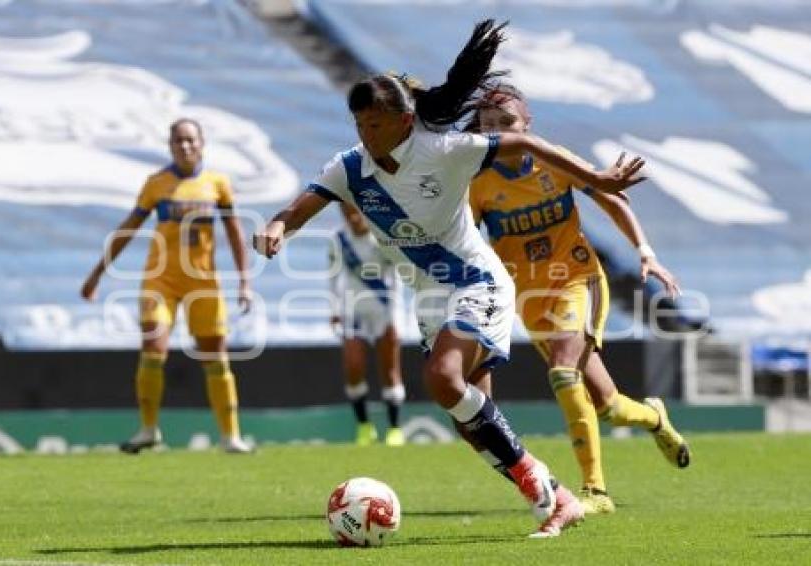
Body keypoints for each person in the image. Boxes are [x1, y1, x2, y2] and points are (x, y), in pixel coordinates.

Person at [254, 20, 646, 537]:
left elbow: (521, 140)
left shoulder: (444, 150)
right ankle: (554, 496)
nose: (365, 136)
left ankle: (555, 493)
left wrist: (596, 179)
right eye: (359, 126)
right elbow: (298, 208)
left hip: (476, 282)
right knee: (467, 419)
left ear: (404, 119)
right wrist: (278, 225)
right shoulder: (349, 169)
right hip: (430, 298)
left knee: (441, 379)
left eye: (375, 125)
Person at [467, 83, 690, 514]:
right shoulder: (477, 182)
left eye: (508, 123)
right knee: (609, 407)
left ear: (527, 125)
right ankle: (655, 418)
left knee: (563, 372)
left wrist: (646, 253)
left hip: (576, 278)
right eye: (489, 126)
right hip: (528, 297)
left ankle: (596, 492)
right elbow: (465, 239)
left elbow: (611, 199)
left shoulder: (554, 159)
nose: (500, 133)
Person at [81, 118, 255, 454]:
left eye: (191, 140)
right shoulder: (156, 184)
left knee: (215, 357)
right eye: (178, 141)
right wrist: (96, 274)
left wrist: (244, 280)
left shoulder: (217, 183)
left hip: (203, 282)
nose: (185, 146)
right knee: (153, 348)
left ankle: (231, 436)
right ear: (170, 146)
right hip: (160, 279)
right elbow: (128, 229)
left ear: (202, 143)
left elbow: (234, 233)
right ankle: (148, 430)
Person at [329, 202, 406, 446]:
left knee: (389, 370)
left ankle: (394, 429)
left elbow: (398, 275)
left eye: (356, 210)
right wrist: (334, 309)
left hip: (384, 310)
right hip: (353, 310)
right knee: (353, 366)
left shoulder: (382, 236)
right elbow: (333, 278)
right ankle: (364, 426)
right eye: (346, 212)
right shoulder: (338, 240)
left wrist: (396, 315)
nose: (353, 217)